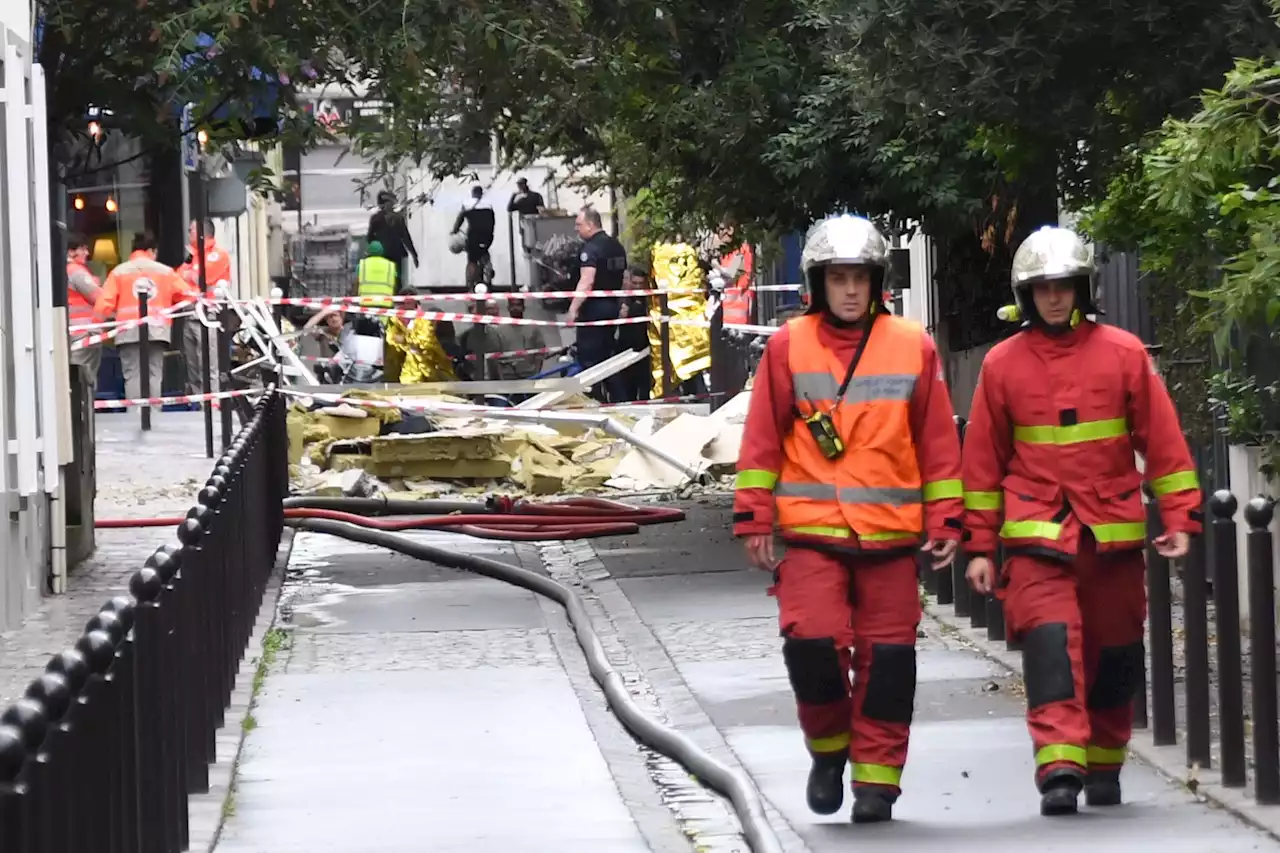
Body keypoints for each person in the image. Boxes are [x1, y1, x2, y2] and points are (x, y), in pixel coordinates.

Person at [961, 226, 1200, 817]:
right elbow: (982, 464)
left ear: (1081, 288)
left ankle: (1103, 760)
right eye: (1042, 288)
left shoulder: (1123, 355)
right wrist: (980, 548)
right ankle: (1059, 765)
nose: (1054, 298)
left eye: (1063, 285)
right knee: (1049, 645)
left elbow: (1163, 443)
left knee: (1115, 653)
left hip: (1110, 536)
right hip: (1036, 537)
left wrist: (1181, 517)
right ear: (1026, 294)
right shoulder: (1001, 365)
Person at [733, 214, 963, 824]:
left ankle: (877, 783)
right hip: (813, 532)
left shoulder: (913, 345)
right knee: (811, 647)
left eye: (860, 277)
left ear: (877, 281)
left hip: (889, 538)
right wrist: (754, 515)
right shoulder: (787, 346)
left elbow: (937, 442)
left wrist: (946, 520)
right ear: (818, 283)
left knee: (889, 663)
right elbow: (761, 438)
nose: (851, 290)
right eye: (839, 278)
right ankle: (830, 750)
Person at [94, 232, 194, 400]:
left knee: (132, 374)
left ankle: (135, 415)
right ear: (151, 251)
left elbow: (104, 303)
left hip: (127, 332)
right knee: (154, 373)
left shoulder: (119, 272)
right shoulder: (165, 272)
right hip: (157, 331)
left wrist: (95, 327)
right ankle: (153, 413)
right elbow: (188, 296)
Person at [568, 206, 627, 401]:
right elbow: (625, 279)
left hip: (593, 311)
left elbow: (587, 280)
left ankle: (593, 402)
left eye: (579, 225)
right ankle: (620, 401)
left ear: (591, 225)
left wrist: (573, 309)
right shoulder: (616, 246)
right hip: (612, 308)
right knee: (608, 359)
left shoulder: (591, 248)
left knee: (590, 361)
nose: (576, 229)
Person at [176, 218, 232, 396]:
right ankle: (198, 402)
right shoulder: (192, 257)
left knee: (208, 365)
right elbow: (177, 279)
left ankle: (211, 405)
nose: (188, 233)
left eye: (190, 230)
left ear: (201, 233)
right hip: (189, 314)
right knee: (192, 365)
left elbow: (202, 277)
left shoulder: (218, 255)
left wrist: (190, 274)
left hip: (208, 316)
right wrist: (189, 273)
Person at [66, 233, 104, 391]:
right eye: (82, 249)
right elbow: (98, 297)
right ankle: (84, 412)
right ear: (70, 252)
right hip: (85, 333)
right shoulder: (76, 271)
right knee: (85, 378)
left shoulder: (60, 270)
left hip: (71, 332)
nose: (87, 253)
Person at [615, 264, 652, 401]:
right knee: (627, 387)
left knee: (644, 387)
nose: (637, 287)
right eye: (634, 283)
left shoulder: (649, 299)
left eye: (640, 284)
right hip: (626, 348)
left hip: (645, 349)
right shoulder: (624, 298)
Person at [366, 190, 419, 286]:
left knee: (396, 280)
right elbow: (370, 238)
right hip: (383, 256)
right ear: (384, 205)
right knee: (387, 279)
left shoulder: (397, 218)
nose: (392, 205)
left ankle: (397, 296)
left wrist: (414, 255)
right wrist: (373, 251)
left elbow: (406, 238)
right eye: (390, 203)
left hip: (394, 255)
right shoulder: (377, 219)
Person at [492, 296, 548, 379]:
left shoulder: (533, 328)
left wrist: (536, 373)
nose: (515, 308)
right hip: (507, 376)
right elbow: (495, 356)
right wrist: (501, 377)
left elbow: (540, 352)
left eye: (518, 305)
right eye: (512, 305)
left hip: (529, 374)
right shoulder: (499, 330)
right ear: (508, 308)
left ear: (523, 308)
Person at [452, 185, 496, 287]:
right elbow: (493, 221)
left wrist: (455, 230)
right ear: (481, 194)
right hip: (487, 236)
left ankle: (471, 285)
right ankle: (488, 269)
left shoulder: (467, 204)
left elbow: (460, 219)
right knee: (484, 251)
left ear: (472, 194)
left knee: (472, 260)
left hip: (473, 236)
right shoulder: (489, 205)